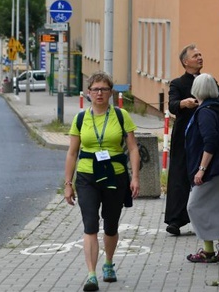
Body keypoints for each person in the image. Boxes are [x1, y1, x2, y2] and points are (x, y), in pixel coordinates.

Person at [63, 71, 140, 292]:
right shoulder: (80, 118)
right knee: (90, 225)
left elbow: (133, 148)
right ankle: (91, 274)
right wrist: (68, 184)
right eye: (95, 89)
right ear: (88, 93)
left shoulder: (120, 115)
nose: (99, 93)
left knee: (111, 224)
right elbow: (71, 153)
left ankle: (108, 263)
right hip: (87, 176)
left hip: (115, 176)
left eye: (104, 89)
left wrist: (135, 177)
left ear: (110, 92)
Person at [165, 44, 219, 236]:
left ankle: (205, 217)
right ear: (185, 62)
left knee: (204, 175)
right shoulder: (178, 83)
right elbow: (172, 105)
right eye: (195, 55)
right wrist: (183, 103)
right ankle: (175, 219)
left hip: (205, 135)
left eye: (200, 54)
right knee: (179, 175)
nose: (200, 57)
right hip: (184, 136)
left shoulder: (208, 80)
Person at [184, 74, 219, 263]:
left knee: (195, 206)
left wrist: (201, 169)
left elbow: (210, 142)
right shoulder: (217, 107)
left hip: (211, 169)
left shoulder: (205, 111)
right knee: (210, 206)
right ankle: (208, 250)